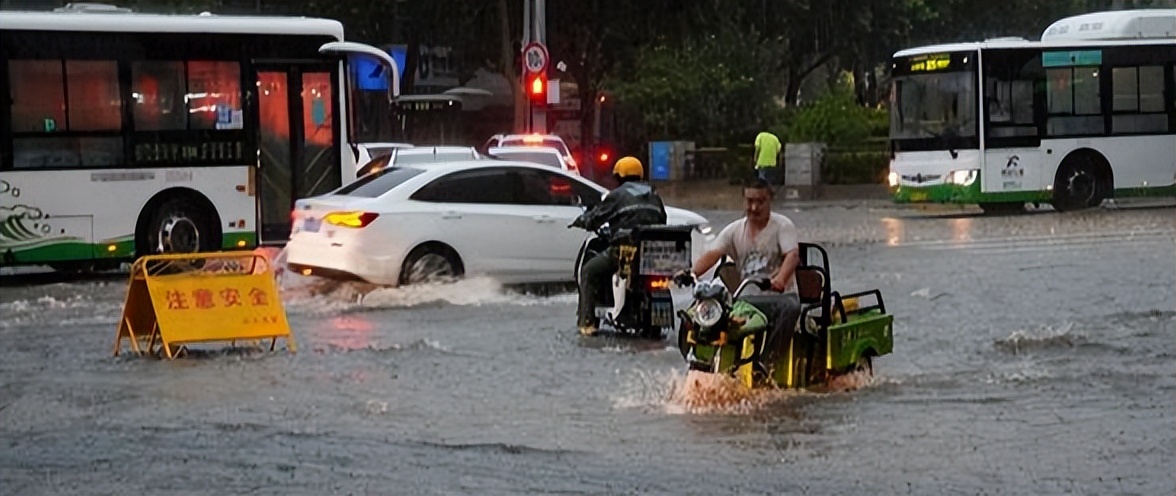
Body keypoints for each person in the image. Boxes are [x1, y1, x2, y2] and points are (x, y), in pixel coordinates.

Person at [683, 177, 800, 376]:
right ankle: (699, 362)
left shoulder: (783, 226)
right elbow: (712, 254)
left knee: (791, 307)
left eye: (760, 201)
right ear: (743, 200)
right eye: (750, 201)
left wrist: (780, 279)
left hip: (777, 297)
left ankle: (767, 363)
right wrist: (690, 273)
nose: (754, 207)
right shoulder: (734, 230)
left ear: (770, 200)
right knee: (695, 314)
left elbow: (793, 255)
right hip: (746, 300)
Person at [571, 156, 668, 336]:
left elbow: (595, 218)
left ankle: (587, 323)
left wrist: (582, 221)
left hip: (625, 251)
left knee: (588, 271)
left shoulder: (617, 195)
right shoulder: (653, 195)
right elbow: (662, 219)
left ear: (619, 176)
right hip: (653, 254)